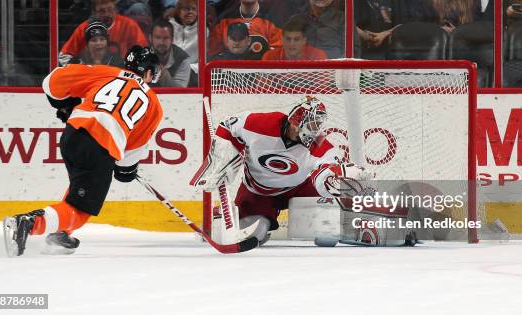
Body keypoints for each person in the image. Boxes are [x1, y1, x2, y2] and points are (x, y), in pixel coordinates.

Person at [3, 46, 164, 257]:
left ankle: (61, 233)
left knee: (78, 187)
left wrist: (66, 105)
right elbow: (132, 150)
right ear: (149, 72)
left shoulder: (107, 72)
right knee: (80, 211)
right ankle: (28, 223)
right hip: (100, 146)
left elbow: (51, 83)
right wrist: (126, 171)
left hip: (73, 134)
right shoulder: (154, 105)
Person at [191, 96, 373, 244]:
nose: (315, 130)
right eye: (312, 125)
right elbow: (228, 126)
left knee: (328, 225)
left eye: (318, 125)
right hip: (258, 192)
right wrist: (220, 158)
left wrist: (333, 180)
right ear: (295, 122)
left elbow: (323, 171)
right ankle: (219, 220)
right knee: (255, 234)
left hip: (299, 188)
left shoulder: (318, 144)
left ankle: (369, 222)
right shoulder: (260, 124)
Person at [59, 0, 148, 65]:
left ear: (116, 9)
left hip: (120, 76)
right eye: (102, 11)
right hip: (92, 77)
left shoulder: (129, 25)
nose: (107, 14)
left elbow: (144, 52)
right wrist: (81, 68)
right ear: (94, 12)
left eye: (110, 9)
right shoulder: (85, 28)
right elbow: (64, 55)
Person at [208, 0, 283, 57]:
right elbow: (213, 54)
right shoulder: (224, 19)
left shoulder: (272, 20)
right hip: (230, 74)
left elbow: (278, 54)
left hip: (263, 74)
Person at [262, 17, 327, 60]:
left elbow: (324, 80)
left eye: (296, 39)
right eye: (288, 39)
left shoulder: (317, 56)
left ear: (304, 40)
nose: (291, 44)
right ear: (282, 39)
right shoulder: (269, 57)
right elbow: (263, 81)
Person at [150, 19, 191, 87]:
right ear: (150, 38)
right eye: (157, 37)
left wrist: (163, 74)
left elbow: (180, 92)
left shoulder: (183, 59)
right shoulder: (140, 56)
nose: (161, 42)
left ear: (172, 39)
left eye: (166, 38)